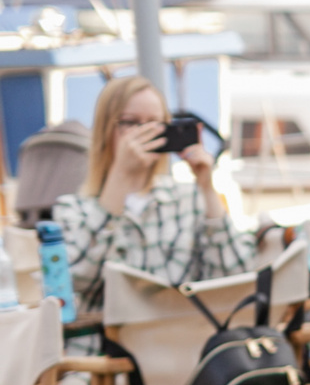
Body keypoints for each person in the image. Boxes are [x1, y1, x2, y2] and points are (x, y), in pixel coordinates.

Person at [53, 74, 255, 319]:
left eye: (155, 123)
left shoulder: (187, 198)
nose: (146, 132)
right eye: (131, 123)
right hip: (109, 339)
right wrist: (120, 176)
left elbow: (237, 275)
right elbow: (79, 282)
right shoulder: (73, 209)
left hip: (178, 334)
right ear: (106, 129)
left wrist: (206, 185)